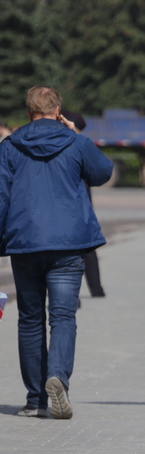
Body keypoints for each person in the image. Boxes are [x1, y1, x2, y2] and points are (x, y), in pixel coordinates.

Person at [0, 86, 113, 419]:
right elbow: (102, 172)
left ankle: (35, 399)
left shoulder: (10, 147)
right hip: (67, 243)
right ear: (58, 109)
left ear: (28, 111)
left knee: (30, 319)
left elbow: (1, 197)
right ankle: (58, 376)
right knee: (63, 317)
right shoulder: (75, 141)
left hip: (26, 243)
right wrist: (76, 135)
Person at [62, 111, 106, 299]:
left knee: (69, 251)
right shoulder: (81, 145)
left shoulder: (73, 144)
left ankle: (79, 293)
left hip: (70, 204)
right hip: (82, 204)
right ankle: (96, 290)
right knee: (86, 249)